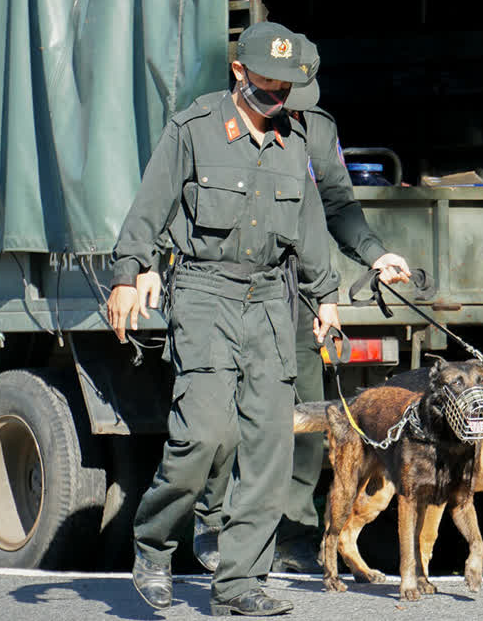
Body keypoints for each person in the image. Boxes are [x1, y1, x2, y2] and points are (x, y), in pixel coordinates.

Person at [135, 36, 414, 575]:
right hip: (224, 288)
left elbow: (335, 206)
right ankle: (212, 519)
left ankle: (286, 537)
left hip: (292, 292)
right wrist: (140, 265)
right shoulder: (212, 127)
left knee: (295, 422)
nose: (287, 101)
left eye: (296, 91)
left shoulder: (316, 128)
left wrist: (372, 258)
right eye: (279, 88)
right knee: (216, 422)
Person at [107, 21, 340, 617]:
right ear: (239, 72)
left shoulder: (295, 143)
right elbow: (147, 211)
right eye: (268, 82)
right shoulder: (194, 129)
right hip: (206, 294)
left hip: (269, 302)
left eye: (289, 87)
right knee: (203, 435)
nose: (279, 95)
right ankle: (155, 543)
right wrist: (127, 275)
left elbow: (311, 231)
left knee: (268, 449)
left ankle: (239, 582)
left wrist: (327, 298)